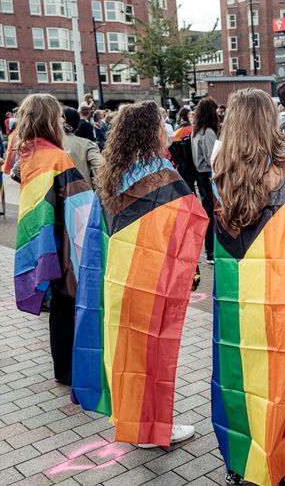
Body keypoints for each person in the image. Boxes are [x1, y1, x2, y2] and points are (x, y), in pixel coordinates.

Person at [72, 100, 207, 447]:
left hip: (118, 278)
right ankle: (154, 428)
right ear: (151, 132)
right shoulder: (163, 176)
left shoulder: (113, 174)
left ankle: (136, 423)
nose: (166, 130)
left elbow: (97, 234)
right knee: (154, 355)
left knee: (129, 354)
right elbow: (193, 219)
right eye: (161, 124)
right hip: (153, 281)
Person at [210, 88, 285, 486]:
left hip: (239, 306)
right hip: (284, 306)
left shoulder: (219, 177)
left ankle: (244, 470)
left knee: (244, 384)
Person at [12, 93, 95, 386]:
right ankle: (71, 370)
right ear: (49, 119)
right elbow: (81, 201)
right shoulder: (56, 157)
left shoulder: (28, 152)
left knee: (59, 308)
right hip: (61, 239)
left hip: (42, 235)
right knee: (68, 303)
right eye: (58, 116)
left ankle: (62, 367)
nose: (62, 121)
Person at [191, 96, 220, 264]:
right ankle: (211, 250)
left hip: (201, 175)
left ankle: (209, 250)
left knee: (207, 211)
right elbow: (213, 158)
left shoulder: (197, 132)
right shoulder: (208, 132)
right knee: (212, 213)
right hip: (209, 175)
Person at [62, 107, 103, 189]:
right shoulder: (87, 144)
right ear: (77, 125)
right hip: (82, 194)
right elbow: (101, 167)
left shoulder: (44, 145)